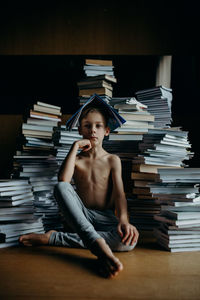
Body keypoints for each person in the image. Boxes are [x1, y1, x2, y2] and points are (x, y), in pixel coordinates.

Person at [19, 105, 139, 278]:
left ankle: (54, 238)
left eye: (98, 126)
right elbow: (63, 181)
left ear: (106, 131)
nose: (93, 130)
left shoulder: (113, 160)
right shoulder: (76, 160)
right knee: (60, 187)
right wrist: (74, 147)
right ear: (80, 130)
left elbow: (120, 194)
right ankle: (99, 246)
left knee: (128, 242)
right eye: (87, 125)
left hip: (105, 218)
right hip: (81, 216)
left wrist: (123, 220)